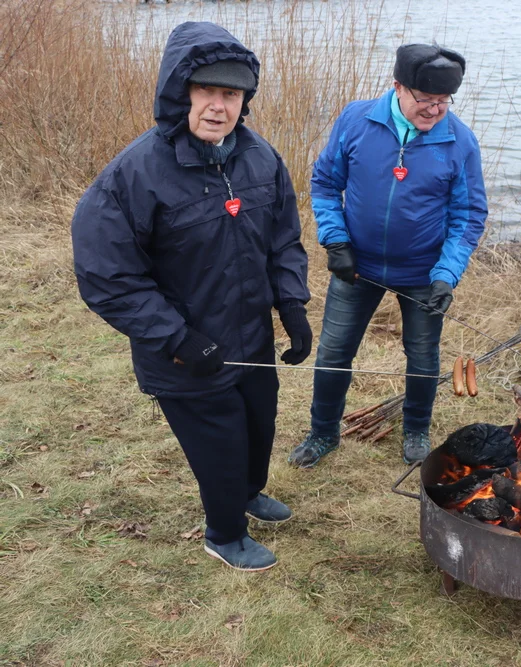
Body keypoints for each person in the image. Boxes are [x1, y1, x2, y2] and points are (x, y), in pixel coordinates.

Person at [71, 22, 311, 572]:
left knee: (258, 423)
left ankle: (248, 495)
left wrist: (291, 305)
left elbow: (283, 239)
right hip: (185, 350)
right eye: (207, 92)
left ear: (244, 100)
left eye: (231, 94)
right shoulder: (134, 174)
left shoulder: (260, 158)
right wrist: (176, 338)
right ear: (183, 94)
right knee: (219, 442)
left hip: (249, 335)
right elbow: (108, 276)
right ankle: (224, 533)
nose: (217, 107)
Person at [287, 44, 488, 468]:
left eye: (443, 101)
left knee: (423, 355)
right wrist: (336, 240)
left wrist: (446, 276)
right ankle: (323, 433)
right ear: (398, 86)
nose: (435, 111)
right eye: (425, 99)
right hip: (355, 268)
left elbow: (468, 216)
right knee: (334, 352)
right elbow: (324, 183)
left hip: (423, 273)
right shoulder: (357, 120)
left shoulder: (460, 141)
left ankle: (415, 429)